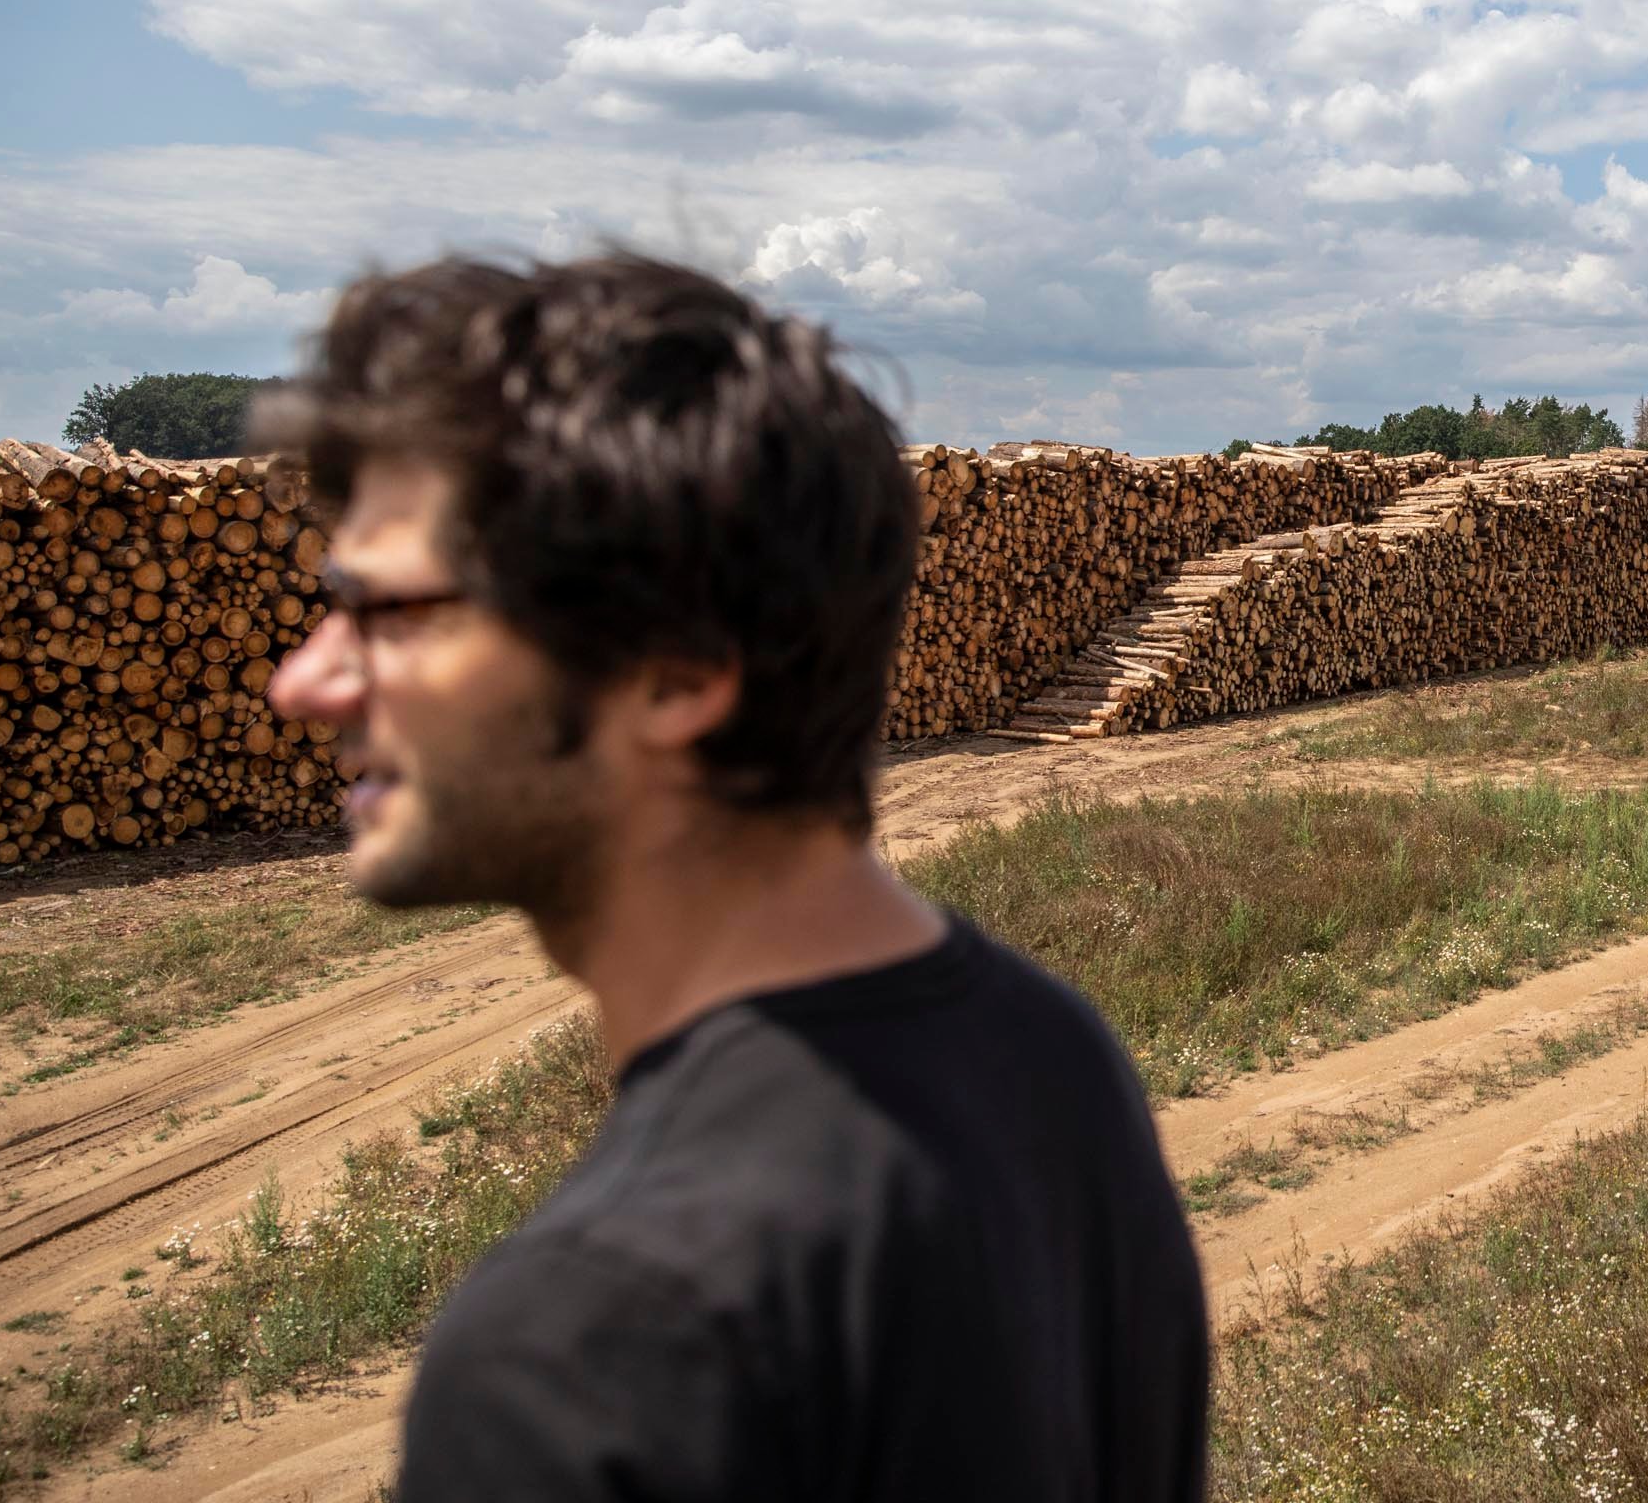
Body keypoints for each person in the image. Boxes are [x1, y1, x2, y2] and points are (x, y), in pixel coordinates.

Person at [261, 253, 1207, 1500]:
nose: (307, 682)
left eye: (386, 611)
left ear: (674, 667)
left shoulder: (586, 1345)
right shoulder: (1054, 1055)